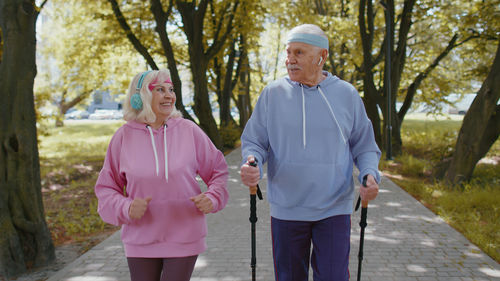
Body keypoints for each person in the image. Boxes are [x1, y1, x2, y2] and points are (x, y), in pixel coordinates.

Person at [240, 24, 381, 281]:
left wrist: (370, 174)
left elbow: (365, 146)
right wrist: (253, 162)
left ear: (322, 56)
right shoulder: (273, 94)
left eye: (299, 53)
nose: (289, 60)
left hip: (334, 207)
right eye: (288, 52)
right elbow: (255, 141)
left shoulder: (347, 95)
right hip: (287, 208)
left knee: (333, 277)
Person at [95, 69, 229, 281]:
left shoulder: (189, 131)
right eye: (160, 90)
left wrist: (213, 197)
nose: (169, 95)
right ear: (140, 98)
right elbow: (106, 188)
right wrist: (126, 207)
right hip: (140, 238)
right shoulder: (123, 137)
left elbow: (218, 171)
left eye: (171, 89)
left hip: (185, 234)